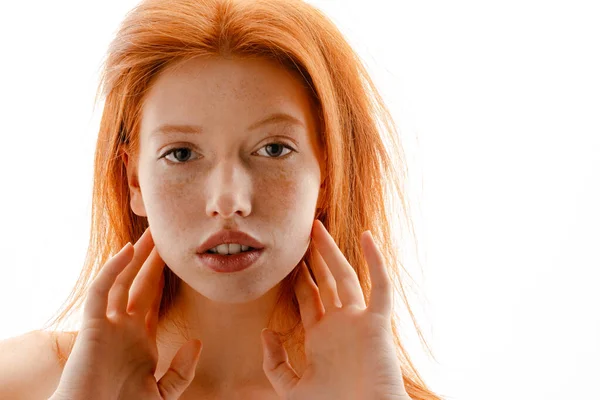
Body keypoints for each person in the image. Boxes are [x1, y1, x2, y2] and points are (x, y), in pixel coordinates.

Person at [0, 0, 442, 399]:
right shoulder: (22, 380)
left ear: (327, 173)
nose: (228, 201)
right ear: (132, 179)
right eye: (181, 154)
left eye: (273, 149)